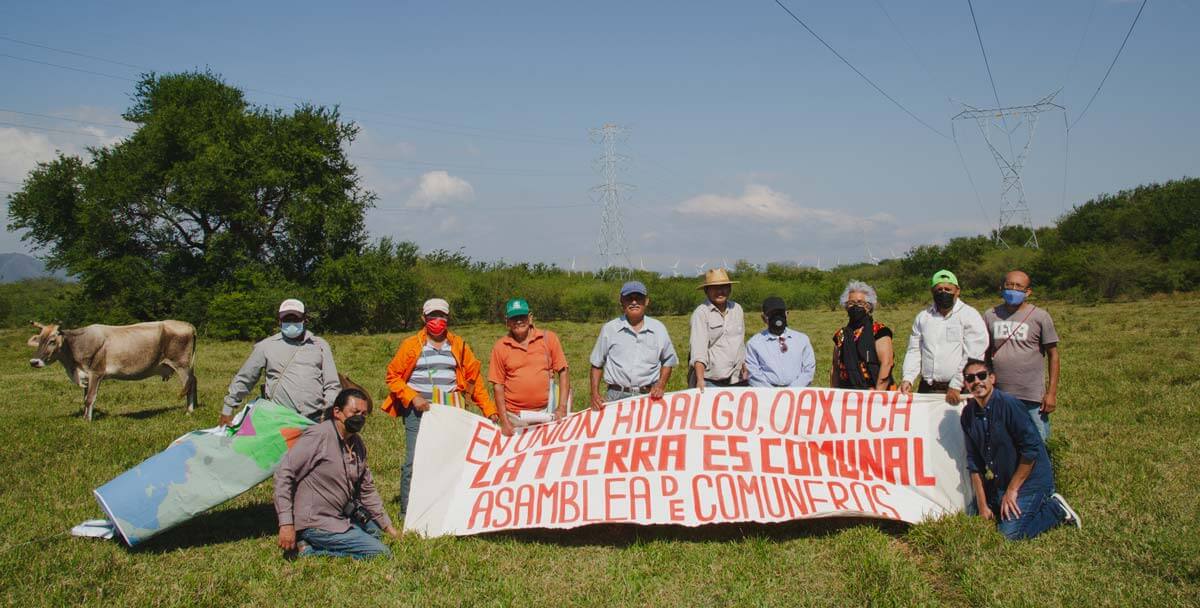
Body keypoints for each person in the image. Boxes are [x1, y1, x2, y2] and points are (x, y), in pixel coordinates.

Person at [381, 298, 498, 516]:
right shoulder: (411, 345)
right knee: (413, 461)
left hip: (451, 412)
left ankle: (447, 509)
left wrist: (489, 410)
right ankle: (408, 513)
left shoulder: (459, 345)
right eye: (432, 316)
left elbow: (475, 381)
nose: (437, 321)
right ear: (423, 318)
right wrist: (412, 396)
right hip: (418, 412)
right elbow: (393, 376)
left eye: (441, 316)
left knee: (449, 460)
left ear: (448, 318)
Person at [959, 359, 1080, 539]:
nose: (977, 381)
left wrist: (1012, 490)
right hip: (1003, 480)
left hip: (1031, 480)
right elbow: (974, 463)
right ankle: (1001, 501)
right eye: (970, 378)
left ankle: (1056, 509)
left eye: (982, 376)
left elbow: (1030, 450)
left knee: (1010, 534)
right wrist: (982, 505)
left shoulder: (1009, 405)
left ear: (992, 378)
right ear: (966, 384)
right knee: (973, 510)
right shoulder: (968, 415)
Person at [274, 387, 400, 559]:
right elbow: (284, 474)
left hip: (340, 515)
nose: (360, 418)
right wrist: (286, 524)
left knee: (377, 534)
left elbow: (367, 489)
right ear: (337, 412)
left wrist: (389, 528)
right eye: (355, 412)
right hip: (316, 521)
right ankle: (308, 551)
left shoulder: (357, 444)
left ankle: (314, 542)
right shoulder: (319, 436)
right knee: (380, 553)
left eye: (364, 414)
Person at [221, 298, 340, 424]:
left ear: (305, 320)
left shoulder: (320, 345)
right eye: (287, 320)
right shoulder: (266, 346)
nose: (291, 323)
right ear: (279, 321)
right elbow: (245, 378)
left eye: (296, 319)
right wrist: (227, 409)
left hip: (315, 420)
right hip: (278, 420)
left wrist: (326, 412)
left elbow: (332, 385)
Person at [984, 270, 1060, 440]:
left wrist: (1051, 393)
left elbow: (1053, 355)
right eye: (1009, 285)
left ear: (1028, 292)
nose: (1013, 289)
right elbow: (985, 353)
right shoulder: (990, 315)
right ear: (1001, 288)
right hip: (1000, 394)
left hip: (1032, 395)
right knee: (1004, 442)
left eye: (1019, 286)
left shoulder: (1040, 316)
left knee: (1039, 442)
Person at [900, 270, 988, 404]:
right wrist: (908, 377)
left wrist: (957, 384)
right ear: (932, 292)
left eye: (948, 289)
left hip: (960, 389)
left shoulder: (969, 315)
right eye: (939, 289)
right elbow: (914, 350)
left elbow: (973, 354)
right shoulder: (923, 317)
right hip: (928, 389)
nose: (943, 293)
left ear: (957, 291)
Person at [589, 281, 679, 410]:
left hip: (648, 396)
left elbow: (669, 360)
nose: (634, 302)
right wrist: (594, 394)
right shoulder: (610, 329)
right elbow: (596, 364)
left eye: (639, 298)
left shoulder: (659, 329)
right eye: (629, 298)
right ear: (621, 301)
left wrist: (661, 385)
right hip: (615, 396)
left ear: (646, 301)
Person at [489, 298, 571, 436]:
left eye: (522, 316)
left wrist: (562, 407)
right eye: (514, 318)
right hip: (514, 417)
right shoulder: (500, 347)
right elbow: (498, 385)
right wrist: (504, 420)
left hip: (546, 413)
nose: (519, 321)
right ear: (507, 321)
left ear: (530, 317)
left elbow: (563, 371)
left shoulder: (549, 338)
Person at [830, 281, 896, 390]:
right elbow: (835, 368)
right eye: (851, 303)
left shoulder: (879, 331)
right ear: (846, 307)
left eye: (860, 303)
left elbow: (887, 363)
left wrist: (877, 395)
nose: (855, 306)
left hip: (876, 393)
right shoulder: (840, 335)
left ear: (869, 307)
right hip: (848, 393)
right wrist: (834, 394)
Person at [689, 269, 748, 389]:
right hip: (711, 380)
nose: (720, 291)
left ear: (730, 289)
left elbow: (741, 342)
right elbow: (698, 350)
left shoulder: (737, 309)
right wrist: (700, 380)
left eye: (724, 287)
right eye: (714, 288)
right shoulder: (701, 313)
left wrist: (745, 366)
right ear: (706, 291)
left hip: (738, 378)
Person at [745, 296, 815, 387]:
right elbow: (753, 373)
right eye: (772, 314)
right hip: (767, 395)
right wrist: (773, 394)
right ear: (763, 318)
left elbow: (808, 370)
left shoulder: (802, 340)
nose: (777, 318)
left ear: (787, 314)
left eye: (780, 313)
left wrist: (791, 391)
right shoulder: (754, 343)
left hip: (797, 394)